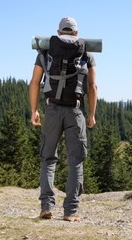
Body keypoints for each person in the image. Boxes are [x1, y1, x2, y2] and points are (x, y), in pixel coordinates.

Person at [29, 16, 97, 221]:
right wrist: (92, 114)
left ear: (58, 33)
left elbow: (34, 83)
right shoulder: (87, 53)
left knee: (48, 159)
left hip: (51, 111)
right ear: (76, 33)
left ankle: (46, 207)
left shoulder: (46, 51)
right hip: (75, 112)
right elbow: (92, 87)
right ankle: (71, 211)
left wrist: (34, 111)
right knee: (76, 161)